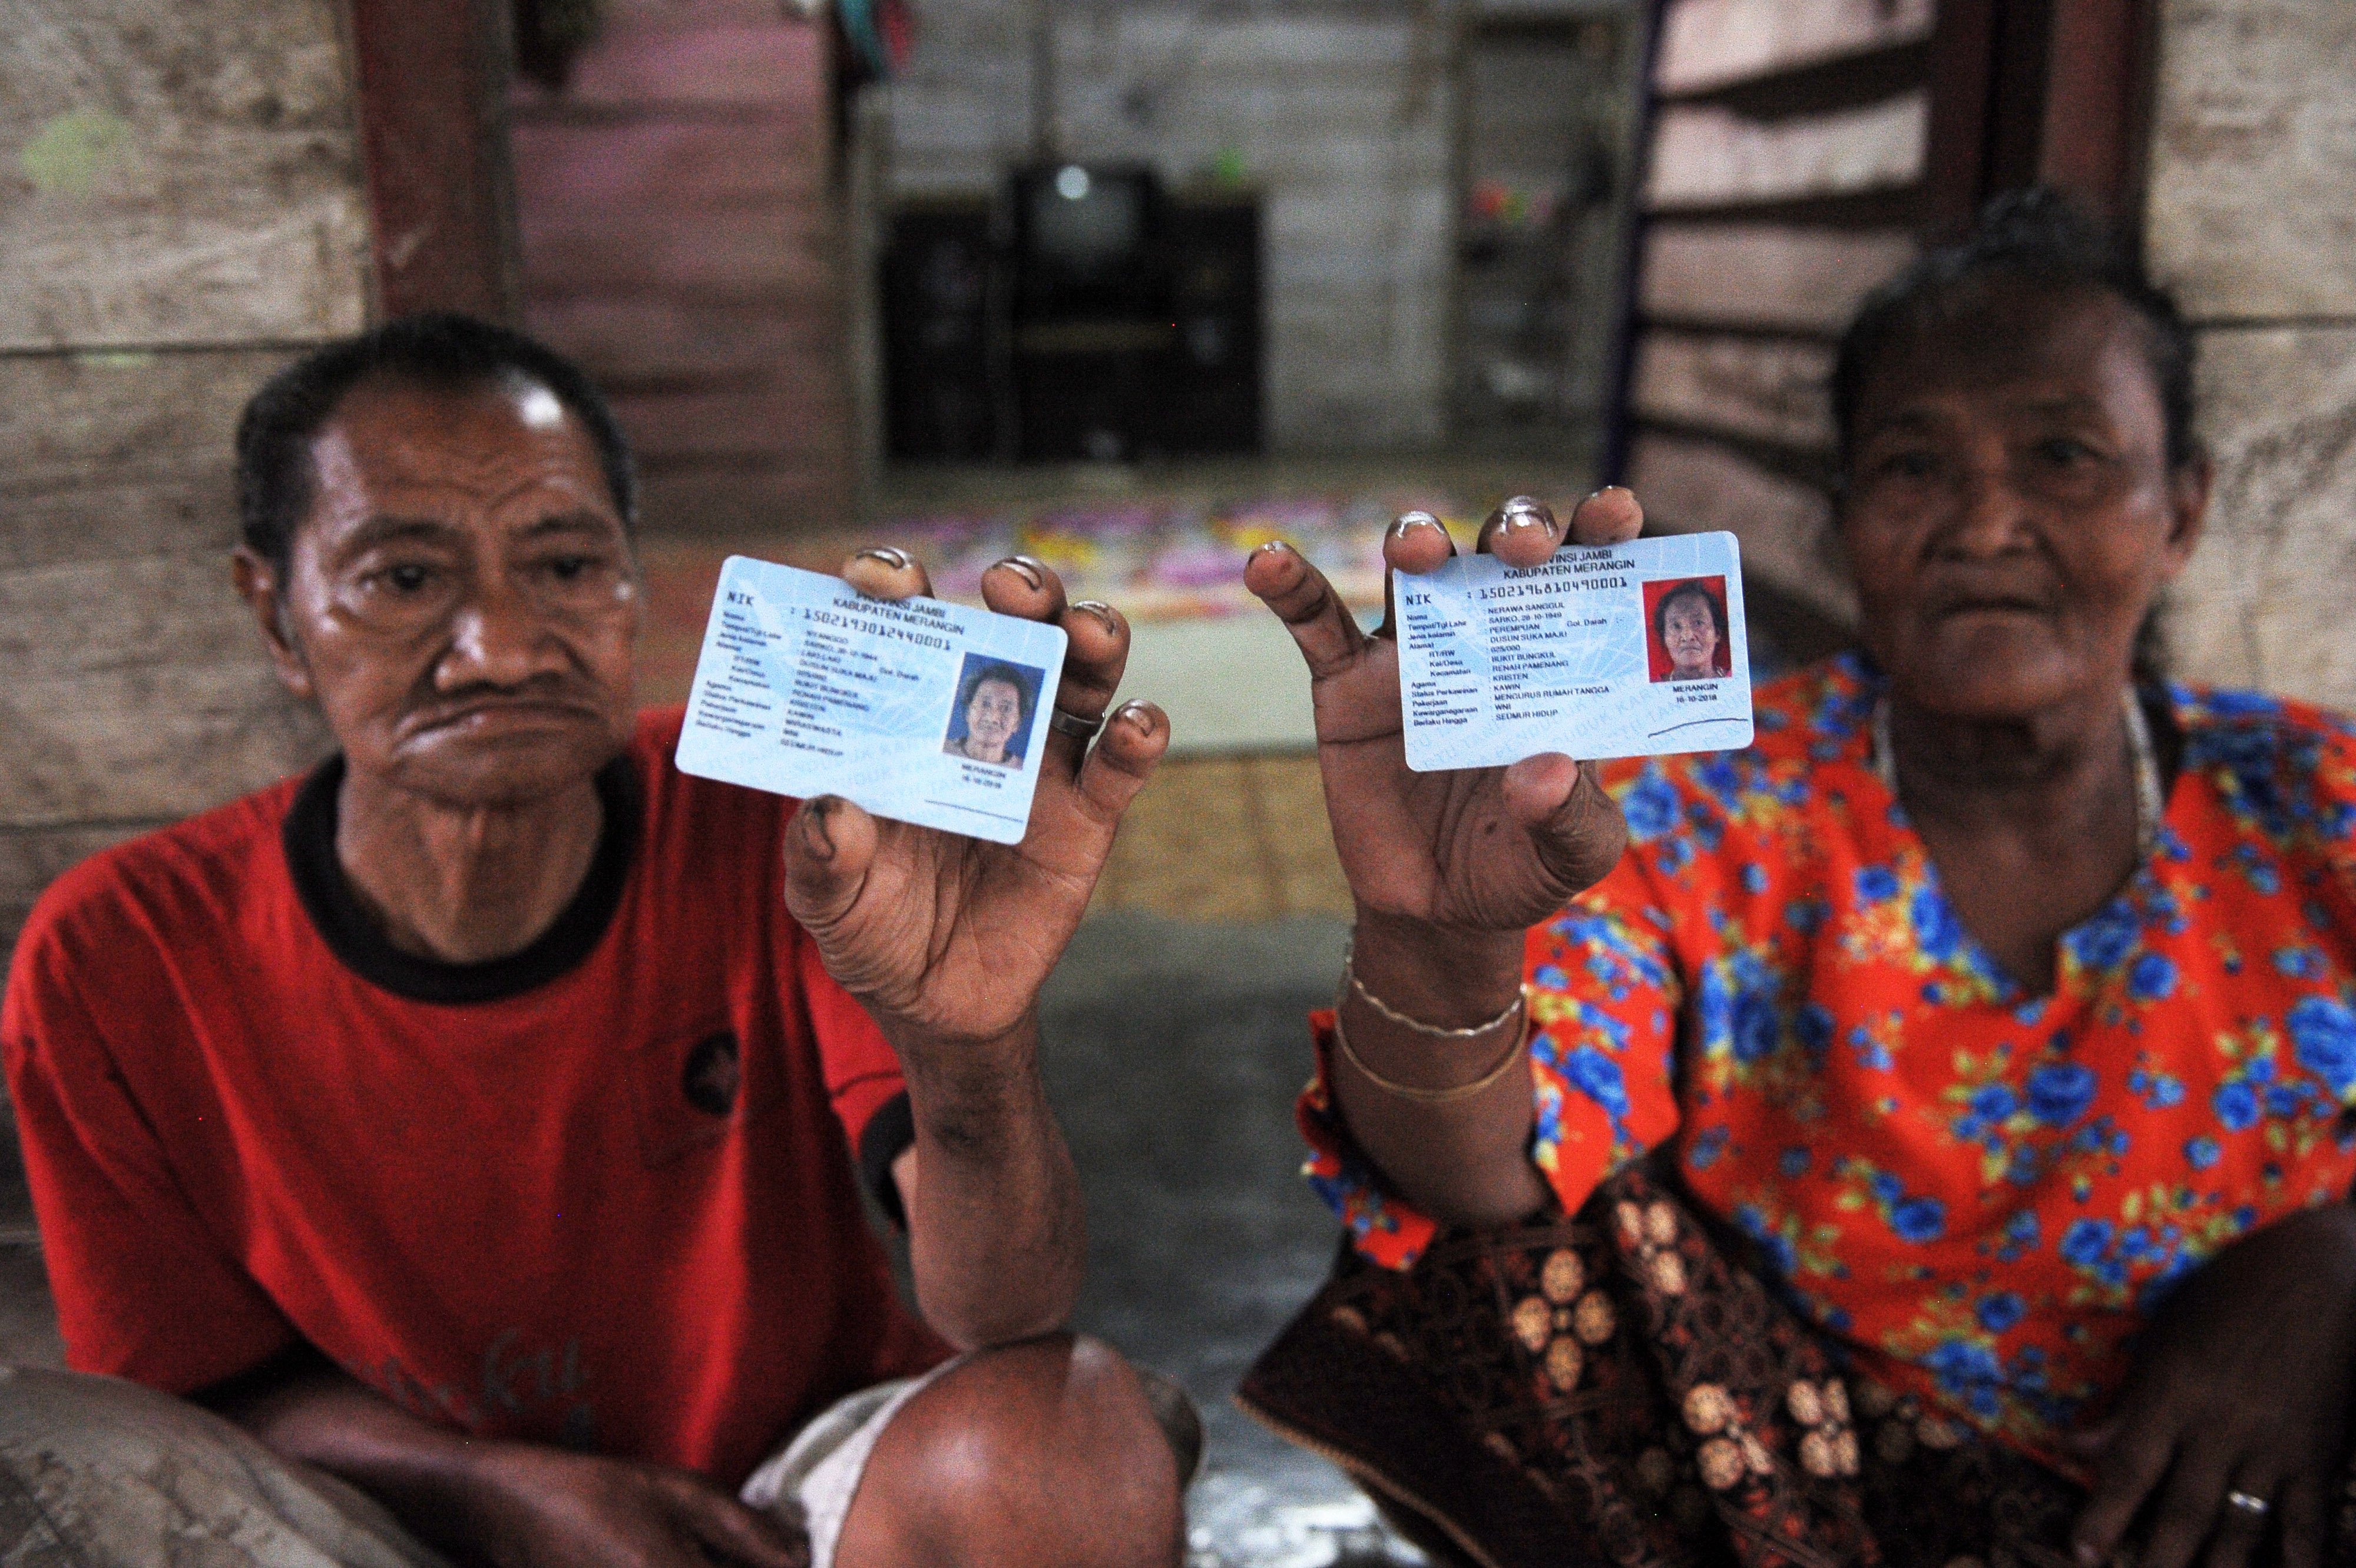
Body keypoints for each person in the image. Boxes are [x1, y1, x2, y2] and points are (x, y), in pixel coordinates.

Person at [1235, 191, 2356, 1568]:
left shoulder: (2317, 808)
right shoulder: (1711, 805)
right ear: (1839, 524)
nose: (1983, 524)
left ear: (2178, 510)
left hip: (2223, 1504)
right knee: (1486, 1256)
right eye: (1910, 469)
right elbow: (1483, 1171)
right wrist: (1433, 941)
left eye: (2064, 456)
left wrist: (2336, 1258)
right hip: (1800, 1503)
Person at [0, 315, 1192, 1568]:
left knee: (1066, 1435)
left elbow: (1004, 1307)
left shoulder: (791, 822)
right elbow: (198, 1402)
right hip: (381, 1513)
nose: (503, 648)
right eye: (404, 580)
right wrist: (503, 1487)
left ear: (634, 580)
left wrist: (969, 1046)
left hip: (772, 1505)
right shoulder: (118, 956)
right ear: (275, 614)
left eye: (566, 567)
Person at [944, 663, 1034, 767]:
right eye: (985, 704)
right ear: (968, 712)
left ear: (1017, 723)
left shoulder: (1023, 770)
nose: (992, 718)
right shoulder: (937, 748)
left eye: (1006, 708)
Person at [1653, 579, 1728, 681]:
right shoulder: (1648, 688)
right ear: (1664, 638)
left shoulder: (1739, 681)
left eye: (1698, 623)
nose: (1687, 636)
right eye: (1676, 626)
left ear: (1717, 633)